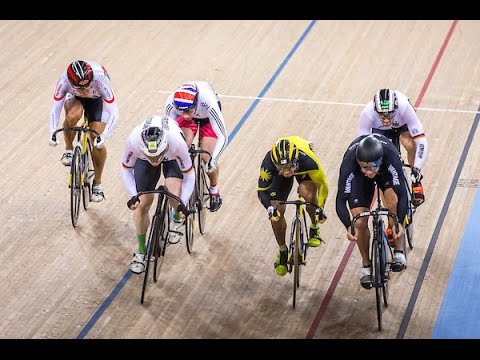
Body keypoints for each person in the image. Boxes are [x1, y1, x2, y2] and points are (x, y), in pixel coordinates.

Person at [121, 115, 195, 274]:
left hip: (171, 157)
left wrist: (183, 202)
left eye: (157, 156)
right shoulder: (134, 142)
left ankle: (176, 217)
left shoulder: (176, 143)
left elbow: (189, 174)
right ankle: (141, 251)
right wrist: (133, 195)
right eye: (151, 156)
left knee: (173, 192)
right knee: (141, 204)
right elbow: (126, 169)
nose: (155, 161)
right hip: (143, 159)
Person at [335, 133, 408, 290]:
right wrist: (349, 225)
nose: (369, 171)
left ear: (380, 161)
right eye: (365, 167)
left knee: (393, 202)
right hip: (358, 179)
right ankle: (366, 265)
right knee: (359, 222)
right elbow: (341, 199)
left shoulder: (390, 157)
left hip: (385, 174)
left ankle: (399, 251)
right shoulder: (350, 162)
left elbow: (402, 195)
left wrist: (399, 222)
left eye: (372, 166)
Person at [48, 60, 119, 202]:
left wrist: (104, 136)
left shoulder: (100, 81)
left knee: (96, 139)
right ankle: (69, 149)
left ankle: (97, 184)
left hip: (97, 100)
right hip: (74, 99)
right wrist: (52, 132)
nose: (84, 89)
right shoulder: (64, 81)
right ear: (70, 82)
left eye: (87, 85)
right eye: (80, 88)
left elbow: (114, 112)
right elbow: (55, 109)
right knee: (73, 115)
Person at [257, 136, 329, 277]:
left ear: (295, 160)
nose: (286, 172)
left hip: (302, 170)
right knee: (276, 213)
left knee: (308, 195)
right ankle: (283, 250)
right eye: (281, 168)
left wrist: (320, 208)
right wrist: (270, 209)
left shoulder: (307, 160)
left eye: (289, 167)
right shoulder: (269, 163)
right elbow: (261, 191)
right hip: (283, 174)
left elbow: (323, 185)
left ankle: (314, 228)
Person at [357, 88, 427, 207]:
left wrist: (417, 168)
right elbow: (362, 145)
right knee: (380, 163)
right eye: (381, 115)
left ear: (395, 107)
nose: (385, 120)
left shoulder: (405, 108)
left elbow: (421, 141)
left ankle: (416, 182)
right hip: (379, 130)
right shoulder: (368, 113)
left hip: (401, 125)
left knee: (409, 144)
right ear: (375, 109)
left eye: (389, 114)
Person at [164, 81, 228, 212]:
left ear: (196, 103)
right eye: (182, 111)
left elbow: (223, 136)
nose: (185, 115)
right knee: (183, 145)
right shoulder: (171, 103)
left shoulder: (208, 103)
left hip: (207, 118)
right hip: (194, 115)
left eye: (188, 111)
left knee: (207, 156)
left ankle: (214, 189)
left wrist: (213, 160)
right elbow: (169, 131)